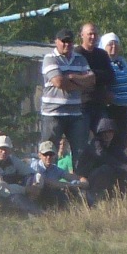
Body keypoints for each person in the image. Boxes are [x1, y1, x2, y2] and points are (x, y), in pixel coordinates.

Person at [39, 28, 94, 161]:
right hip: (53, 114)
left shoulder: (80, 59)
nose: (67, 44)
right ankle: (48, 175)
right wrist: (80, 82)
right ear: (56, 41)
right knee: (49, 153)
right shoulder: (50, 58)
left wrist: (71, 77)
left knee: (81, 154)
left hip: (75, 113)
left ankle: (79, 175)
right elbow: (58, 82)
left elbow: (91, 80)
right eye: (63, 41)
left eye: (69, 41)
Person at [0, 134, 43, 215]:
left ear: (10, 150)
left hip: (15, 192)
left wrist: (36, 185)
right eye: (1, 148)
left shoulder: (13, 160)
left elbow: (33, 173)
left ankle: (41, 209)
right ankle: (38, 214)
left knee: (31, 178)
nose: (3, 152)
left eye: (6, 149)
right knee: (17, 198)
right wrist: (26, 189)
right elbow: (2, 189)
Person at [77, 23, 113, 140]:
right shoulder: (77, 54)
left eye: (95, 34)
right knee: (81, 139)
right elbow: (77, 77)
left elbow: (110, 76)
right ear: (82, 35)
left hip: (99, 103)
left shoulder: (102, 54)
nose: (93, 37)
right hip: (82, 104)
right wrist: (92, 76)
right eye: (90, 34)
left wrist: (92, 74)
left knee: (105, 134)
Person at [100, 34, 127, 147]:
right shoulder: (103, 62)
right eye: (110, 44)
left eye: (116, 44)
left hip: (125, 108)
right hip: (112, 108)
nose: (114, 47)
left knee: (122, 143)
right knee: (111, 144)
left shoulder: (122, 61)